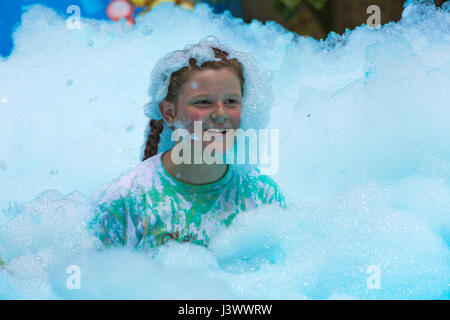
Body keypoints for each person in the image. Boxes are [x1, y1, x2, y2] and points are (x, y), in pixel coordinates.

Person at [88, 39, 286, 253]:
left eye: (231, 101)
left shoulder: (262, 197)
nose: (221, 114)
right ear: (169, 113)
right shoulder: (124, 201)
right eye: (203, 102)